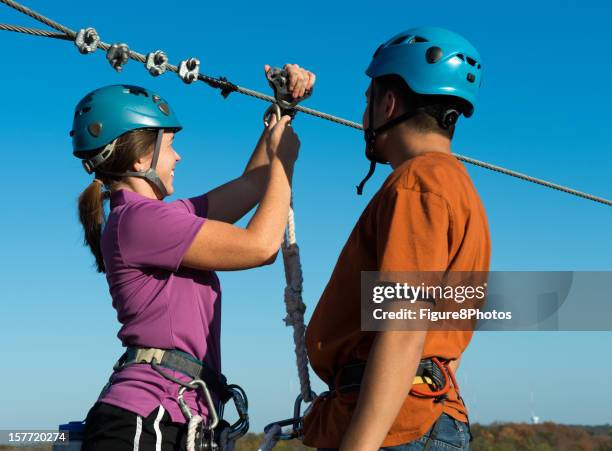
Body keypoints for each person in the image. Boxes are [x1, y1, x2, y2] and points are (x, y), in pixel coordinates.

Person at [73, 64, 315, 450]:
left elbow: (253, 183)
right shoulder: (139, 220)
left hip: (173, 416)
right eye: (169, 146)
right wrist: (284, 162)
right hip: (149, 416)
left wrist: (283, 110)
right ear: (139, 160)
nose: (178, 157)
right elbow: (261, 245)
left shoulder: (162, 218)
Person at [302, 27, 490, 450]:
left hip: (397, 427)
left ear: (387, 103)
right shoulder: (461, 192)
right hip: (430, 410)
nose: (364, 117)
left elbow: (403, 327)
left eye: (367, 102)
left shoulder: (416, 185)